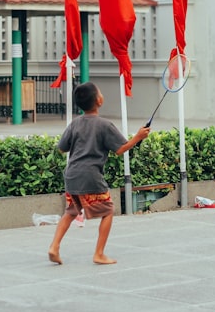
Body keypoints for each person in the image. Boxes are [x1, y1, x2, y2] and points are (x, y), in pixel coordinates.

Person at [48, 82, 150, 265]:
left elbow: (62, 149)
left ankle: (54, 247)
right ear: (99, 100)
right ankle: (99, 254)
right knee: (108, 210)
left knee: (71, 212)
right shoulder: (104, 125)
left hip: (71, 176)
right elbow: (120, 149)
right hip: (91, 176)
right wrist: (138, 137)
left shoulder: (75, 123)